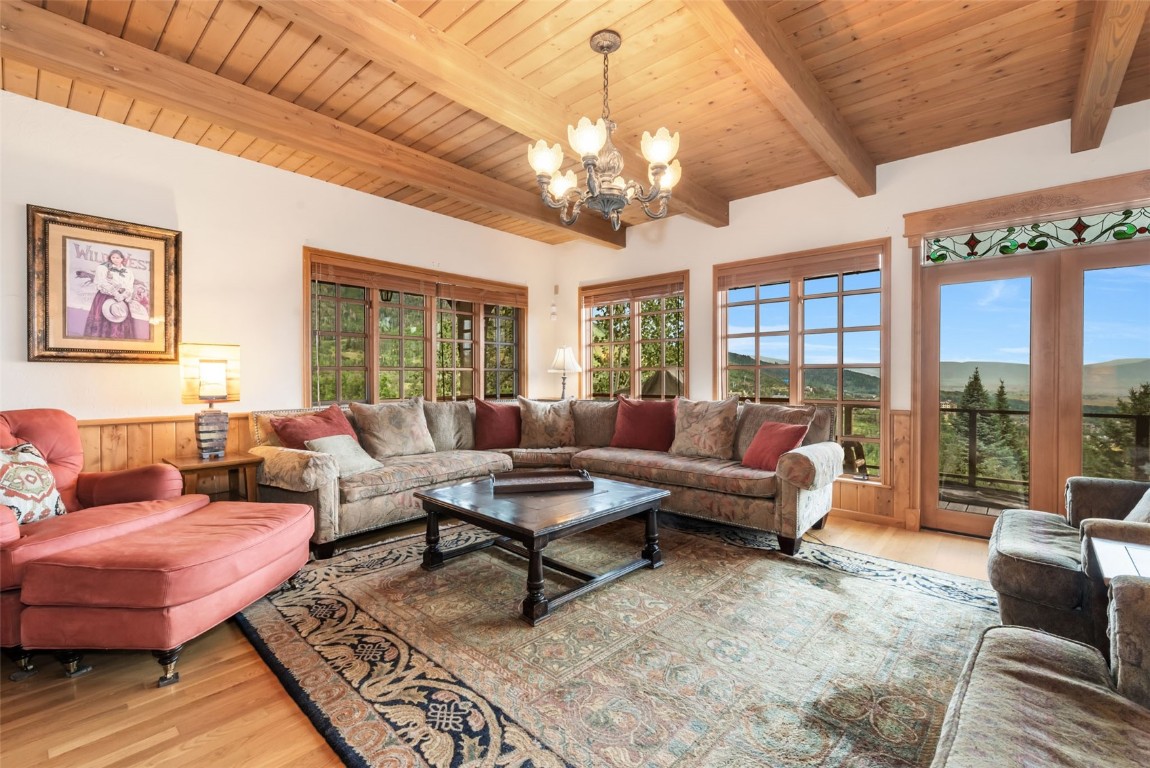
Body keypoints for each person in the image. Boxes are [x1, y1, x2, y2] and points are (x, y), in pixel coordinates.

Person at [83, 249, 137, 339]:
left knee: (119, 315)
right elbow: (101, 283)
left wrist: (123, 295)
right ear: (110, 258)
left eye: (118, 258)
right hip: (105, 297)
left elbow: (129, 286)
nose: (115, 259)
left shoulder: (128, 271)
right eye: (113, 257)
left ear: (122, 259)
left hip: (121, 299)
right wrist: (115, 293)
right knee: (104, 317)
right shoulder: (103, 268)